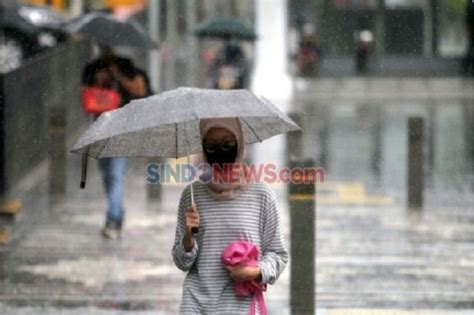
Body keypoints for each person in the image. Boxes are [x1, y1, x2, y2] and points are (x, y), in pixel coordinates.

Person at [172, 118, 288, 314]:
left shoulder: (262, 195)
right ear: (203, 147)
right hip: (196, 304)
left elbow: (278, 255)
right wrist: (189, 237)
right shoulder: (192, 196)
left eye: (227, 143)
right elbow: (182, 262)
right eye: (211, 145)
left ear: (240, 143)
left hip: (241, 305)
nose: (220, 150)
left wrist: (255, 272)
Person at [81, 46, 148, 239]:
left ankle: (112, 220)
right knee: (106, 176)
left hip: (122, 127)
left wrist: (118, 76)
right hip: (101, 129)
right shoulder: (92, 67)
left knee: (116, 174)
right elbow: (84, 97)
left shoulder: (125, 64)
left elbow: (139, 89)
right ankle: (118, 212)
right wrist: (99, 82)